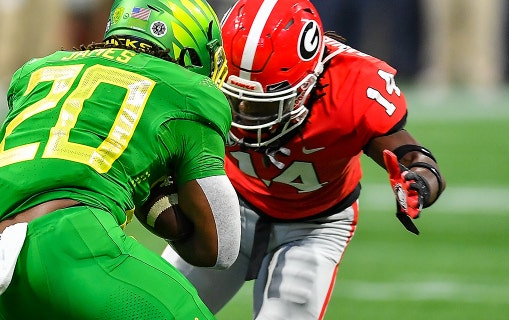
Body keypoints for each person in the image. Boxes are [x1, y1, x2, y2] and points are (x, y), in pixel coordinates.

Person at [0, 0, 242, 318]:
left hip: (3, 271)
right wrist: (153, 199)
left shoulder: (37, 72)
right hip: (79, 248)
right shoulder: (190, 92)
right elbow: (222, 248)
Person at [162, 0, 447, 319]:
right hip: (228, 201)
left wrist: (420, 181)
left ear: (307, 83)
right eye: (232, 97)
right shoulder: (203, 63)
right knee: (156, 311)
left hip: (314, 225)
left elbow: (414, 156)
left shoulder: (352, 87)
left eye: (260, 106)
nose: (242, 115)